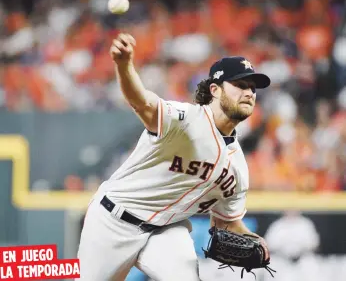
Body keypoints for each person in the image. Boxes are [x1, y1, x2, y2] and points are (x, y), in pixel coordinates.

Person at [77, 33, 272, 281]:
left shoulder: (238, 168)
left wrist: (254, 239)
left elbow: (226, 223)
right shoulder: (185, 119)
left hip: (166, 230)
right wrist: (124, 66)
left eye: (253, 89)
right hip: (114, 221)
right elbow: (143, 103)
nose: (249, 93)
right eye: (241, 85)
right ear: (215, 89)